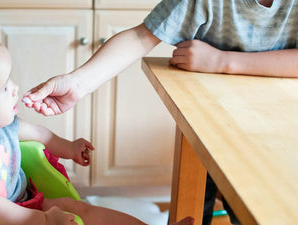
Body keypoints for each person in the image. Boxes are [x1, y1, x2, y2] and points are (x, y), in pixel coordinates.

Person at [22, 0, 298, 224]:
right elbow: (142, 36)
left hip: (276, 133)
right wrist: (78, 83)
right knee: (197, 204)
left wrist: (222, 61)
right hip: (207, 123)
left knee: (258, 208)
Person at [0, 25, 194, 225]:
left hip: (23, 204)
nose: (14, 89)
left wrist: (69, 148)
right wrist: (44, 220)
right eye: (2, 88)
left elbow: (41, 135)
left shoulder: (0, 124)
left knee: (80, 209)